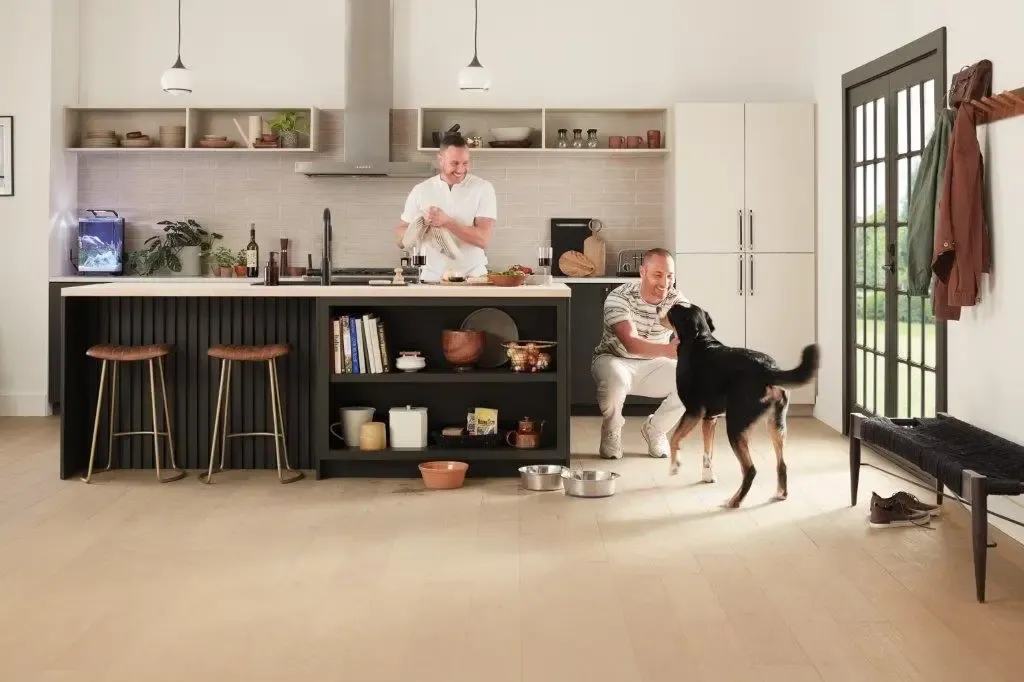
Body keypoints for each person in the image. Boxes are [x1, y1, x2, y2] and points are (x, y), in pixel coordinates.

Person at [591, 248, 687, 460]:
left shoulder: (676, 299)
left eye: (670, 276)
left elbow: (692, 332)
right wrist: (668, 350)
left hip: (655, 364)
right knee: (615, 380)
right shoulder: (619, 296)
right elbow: (631, 344)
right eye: (658, 275)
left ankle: (656, 429)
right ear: (642, 272)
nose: (664, 283)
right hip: (614, 359)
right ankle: (612, 430)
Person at [394, 133, 497, 281]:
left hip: (472, 277)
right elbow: (400, 240)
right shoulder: (421, 190)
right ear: (440, 159)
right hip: (431, 277)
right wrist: (420, 224)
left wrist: (447, 222)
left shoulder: (483, 188)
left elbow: (483, 239)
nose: (461, 169)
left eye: (465, 163)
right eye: (454, 163)